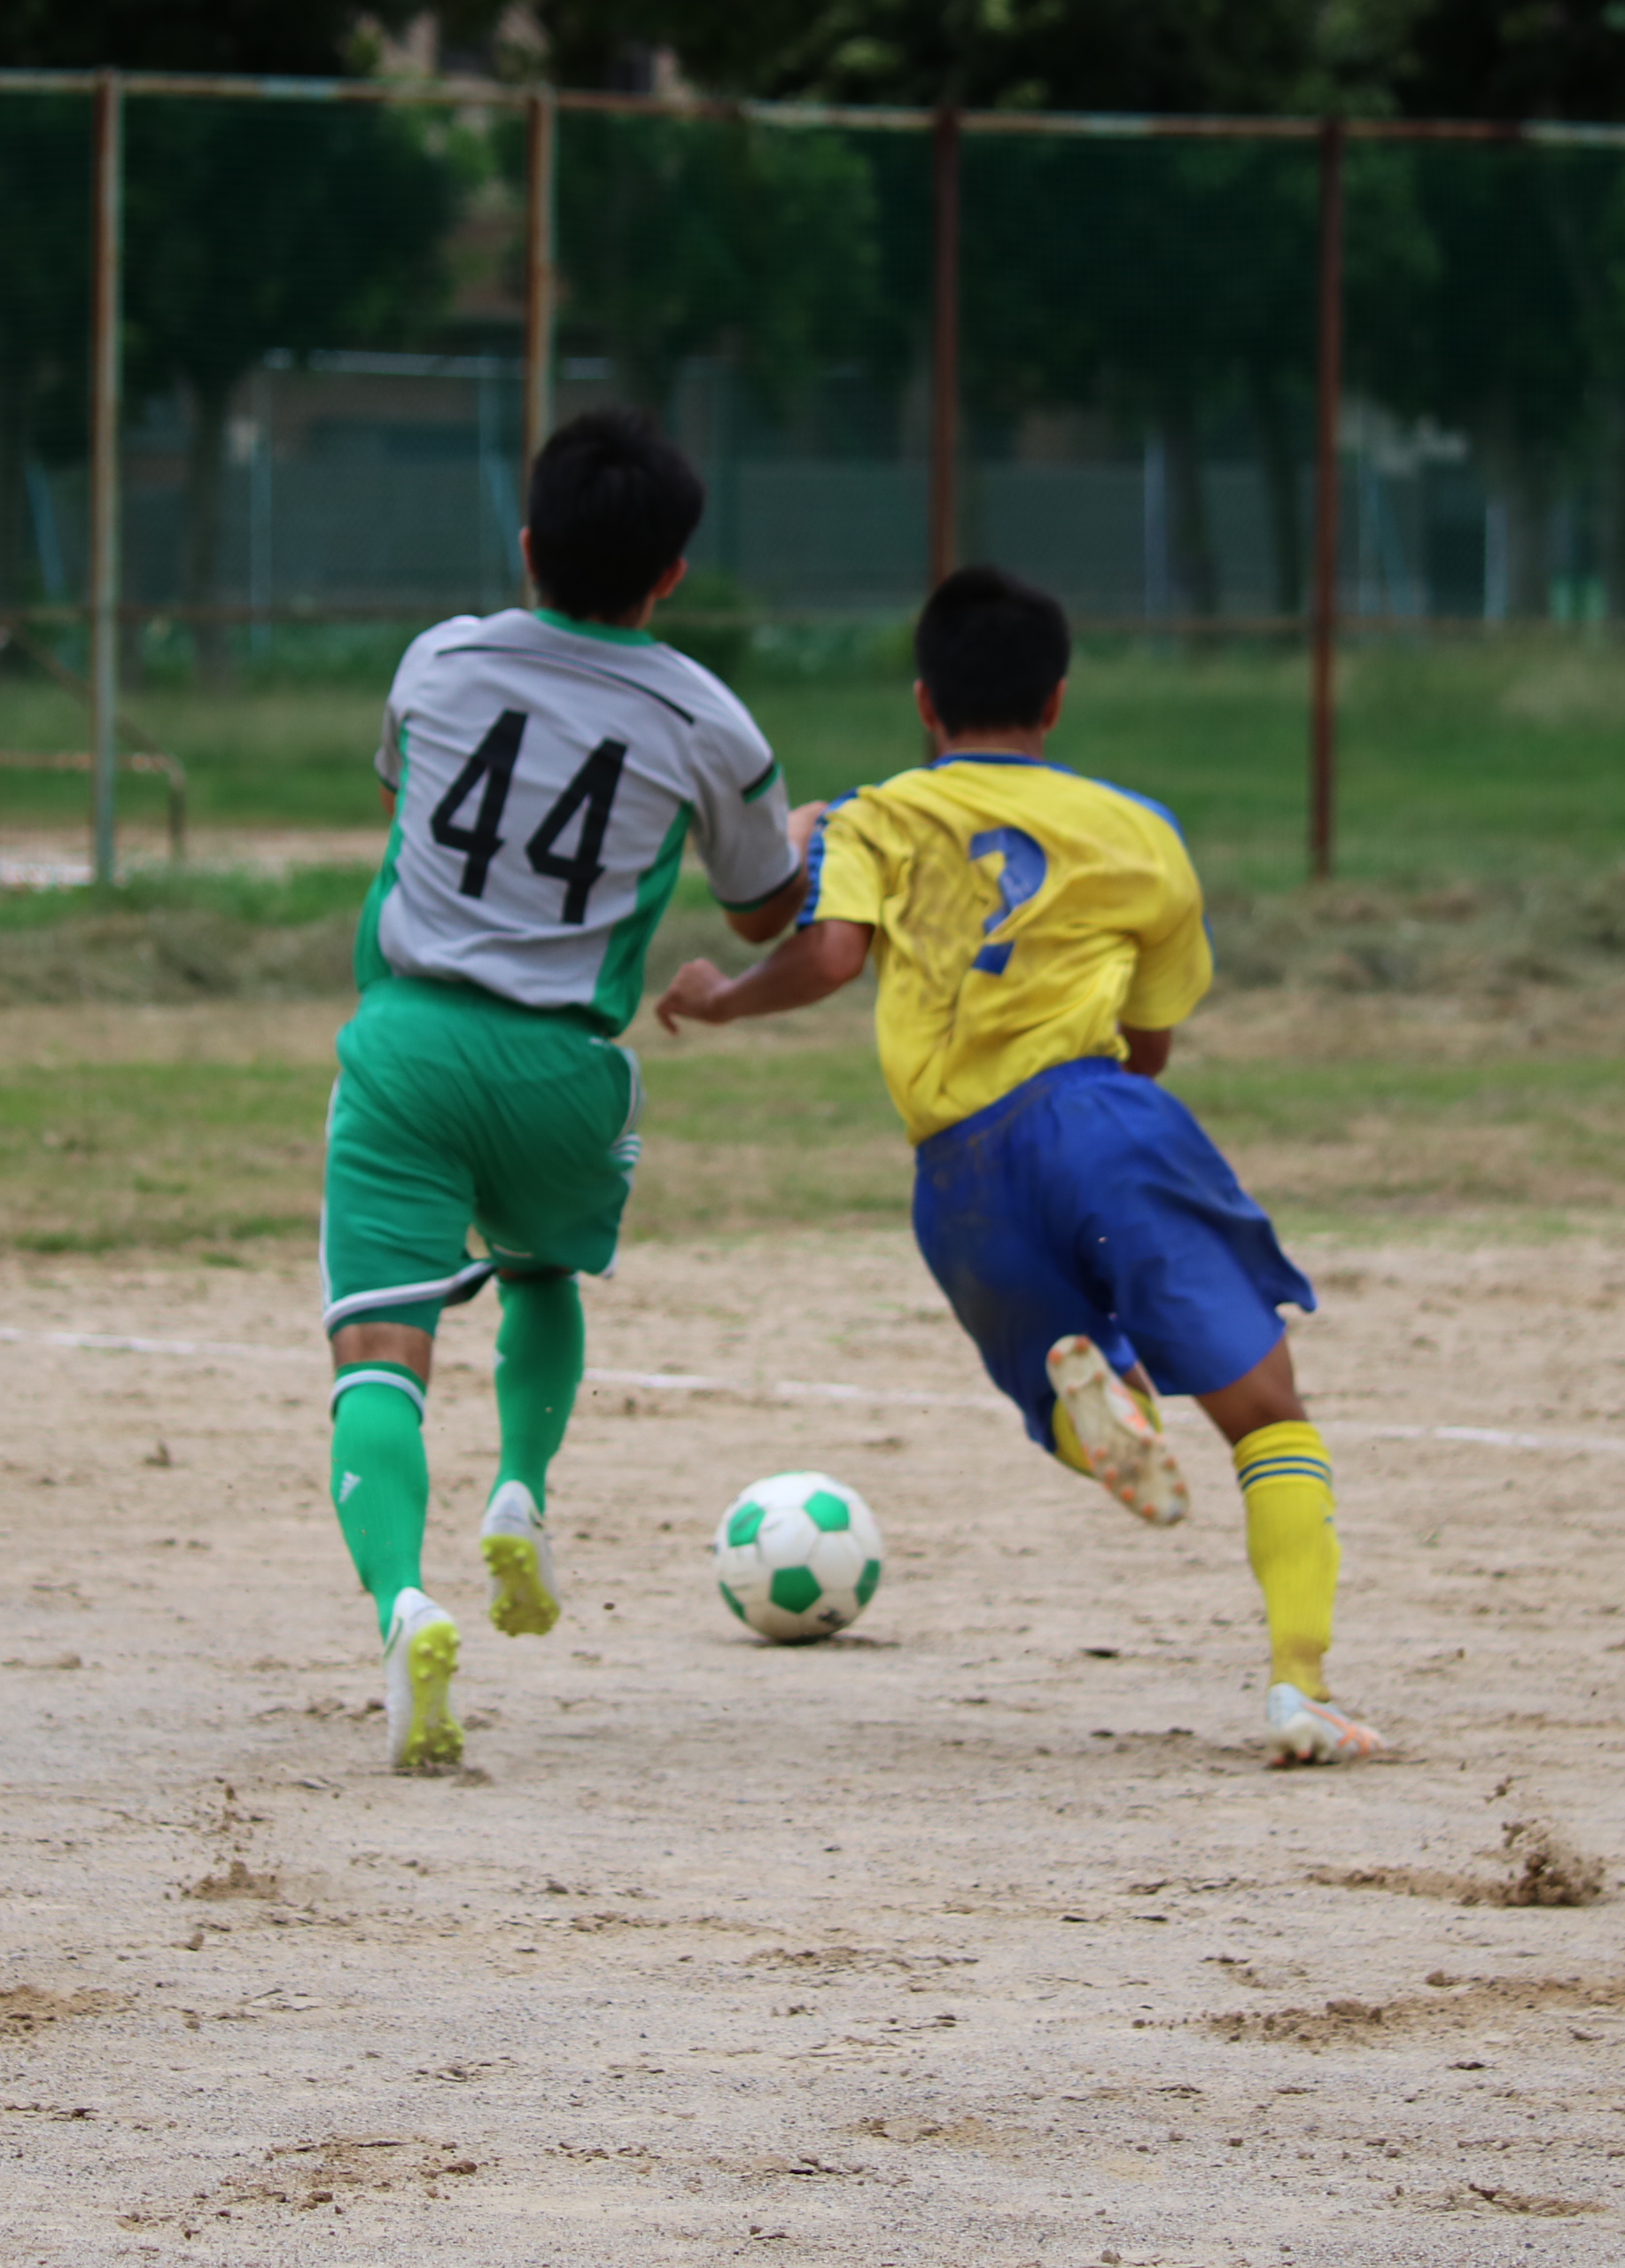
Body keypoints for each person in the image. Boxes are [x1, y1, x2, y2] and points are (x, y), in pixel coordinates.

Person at [654, 565, 1380, 1765]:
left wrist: (723, 995)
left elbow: (828, 957)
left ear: (925, 703)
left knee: (1057, 1391)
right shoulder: (1139, 832)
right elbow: (1151, 1046)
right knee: (1266, 1417)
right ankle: (1300, 1687)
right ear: (1055, 701)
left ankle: (1106, 1411)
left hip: (958, 1181)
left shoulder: (877, 816)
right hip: (1104, 1124)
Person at [322, 409, 805, 1772]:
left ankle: (405, 1605)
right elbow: (765, 910)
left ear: (527, 546)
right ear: (674, 575)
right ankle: (520, 1495)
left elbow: (407, 806)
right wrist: (801, 840)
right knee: (540, 1277)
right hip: (566, 1069)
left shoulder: (436, 661)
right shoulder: (709, 718)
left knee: (380, 1359)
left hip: (408, 1045)